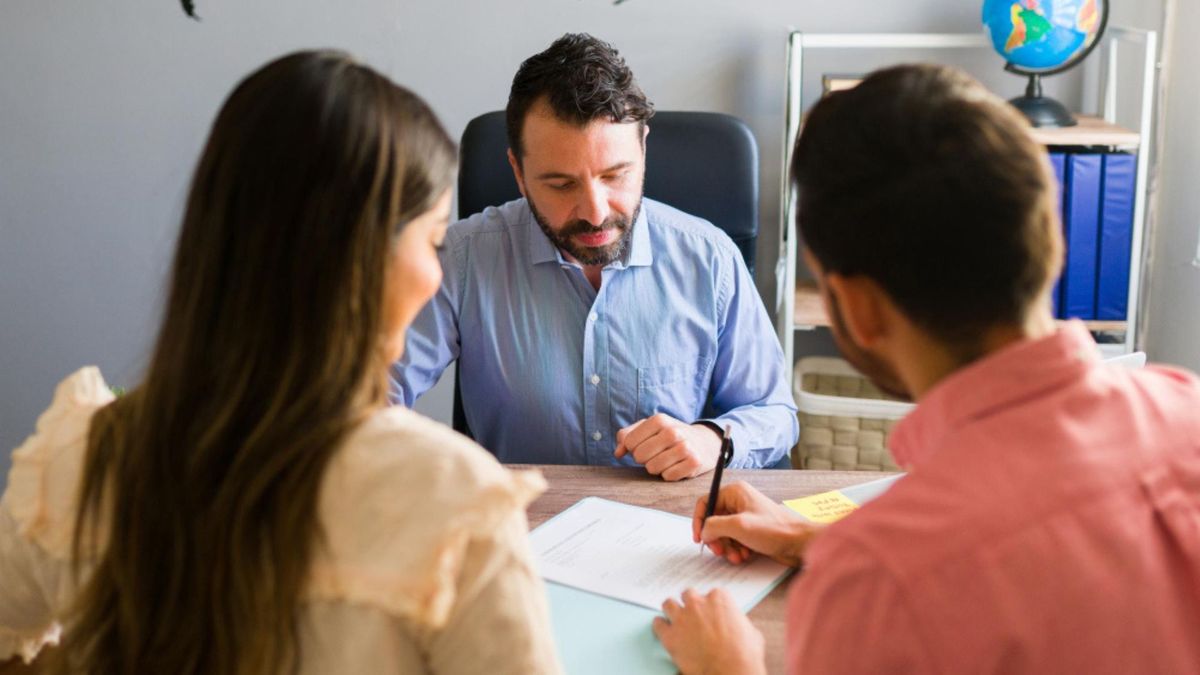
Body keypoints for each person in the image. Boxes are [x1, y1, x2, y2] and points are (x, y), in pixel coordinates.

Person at [0, 51, 561, 675]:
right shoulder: (454, 505)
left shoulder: (76, 459)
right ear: (357, 263)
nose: (436, 277)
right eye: (431, 242)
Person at [652, 64, 1200, 673]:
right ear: (1048, 237)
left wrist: (728, 666)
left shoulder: (876, 586)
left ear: (857, 308)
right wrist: (813, 538)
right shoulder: (1186, 403)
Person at [391, 33, 798, 479]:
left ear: (642, 149)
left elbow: (774, 411)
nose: (595, 212)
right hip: (519, 529)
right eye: (562, 185)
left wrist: (713, 440)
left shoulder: (710, 258)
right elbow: (371, 400)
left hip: (672, 532)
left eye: (615, 176)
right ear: (518, 173)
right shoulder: (462, 260)